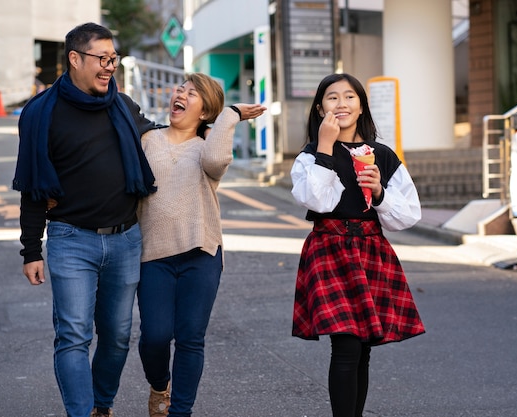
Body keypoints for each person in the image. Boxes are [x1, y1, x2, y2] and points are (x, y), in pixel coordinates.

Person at [12, 22, 158, 417]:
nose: (110, 66)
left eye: (114, 58)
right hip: (71, 239)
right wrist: (31, 250)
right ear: (75, 59)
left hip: (126, 239)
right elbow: (32, 186)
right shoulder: (42, 114)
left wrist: (212, 124)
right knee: (74, 335)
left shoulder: (123, 107)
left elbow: (162, 141)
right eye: (102, 58)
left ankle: (101, 406)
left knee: (117, 337)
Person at [290, 73, 426, 417]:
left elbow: (408, 214)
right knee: (346, 345)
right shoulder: (310, 155)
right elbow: (316, 201)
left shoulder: (381, 155)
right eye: (332, 97)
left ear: (361, 105)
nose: (341, 104)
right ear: (320, 107)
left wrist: (379, 192)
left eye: (349, 97)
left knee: (363, 348)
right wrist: (325, 148)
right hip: (329, 248)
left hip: (371, 250)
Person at [136, 73, 266, 417]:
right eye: (180, 89)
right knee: (154, 336)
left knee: (191, 338)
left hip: (201, 253)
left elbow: (215, 162)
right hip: (153, 255)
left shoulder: (209, 146)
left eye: (191, 93)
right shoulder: (147, 139)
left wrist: (231, 115)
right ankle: (159, 384)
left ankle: (180, 412)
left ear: (206, 111)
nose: (180, 94)